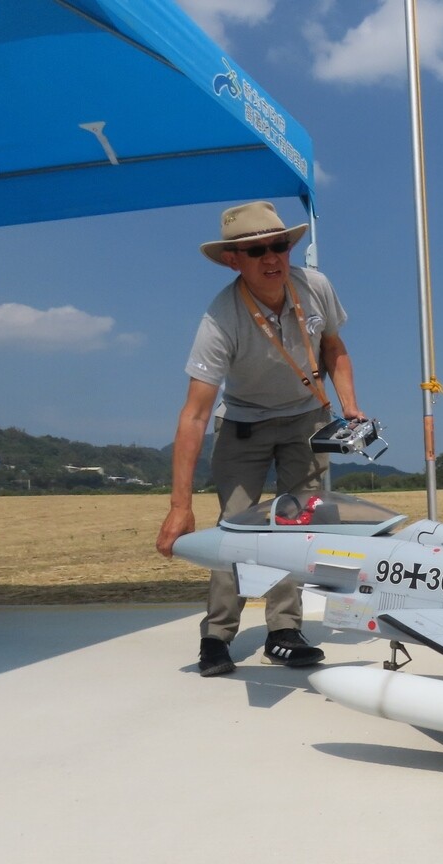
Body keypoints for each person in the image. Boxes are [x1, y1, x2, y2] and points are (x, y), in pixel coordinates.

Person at [156, 200, 366, 677]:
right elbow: (193, 415)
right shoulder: (220, 319)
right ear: (233, 260)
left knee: (299, 528)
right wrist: (178, 505)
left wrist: (350, 407)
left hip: (306, 420)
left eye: (279, 246)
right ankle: (216, 636)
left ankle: (284, 631)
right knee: (234, 529)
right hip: (243, 425)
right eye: (255, 251)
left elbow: (334, 347)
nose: (271, 258)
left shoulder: (316, 288)